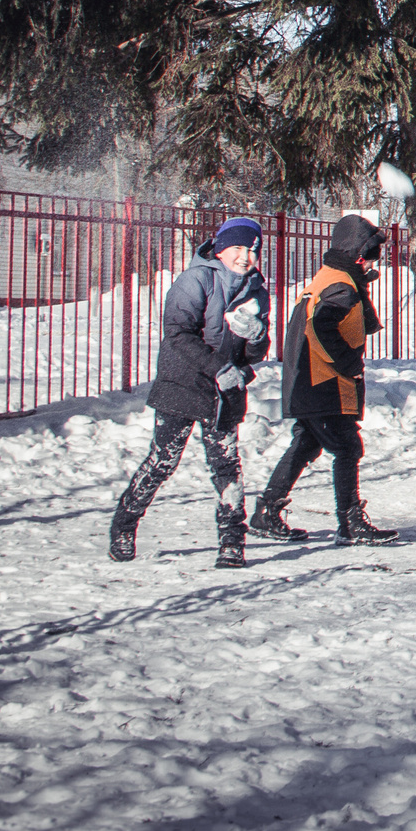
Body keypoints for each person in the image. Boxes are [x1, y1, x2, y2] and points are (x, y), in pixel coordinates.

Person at [112, 214, 273, 567]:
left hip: (224, 393)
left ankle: (232, 541)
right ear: (219, 249)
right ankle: (124, 523)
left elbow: (255, 352)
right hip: (183, 383)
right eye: (238, 248)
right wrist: (221, 368)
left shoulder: (256, 289)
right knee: (162, 461)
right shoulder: (195, 279)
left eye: (253, 250)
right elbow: (178, 333)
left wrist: (256, 337)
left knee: (227, 466)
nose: (245, 256)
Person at [254, 214, 399, 546]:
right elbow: (321, 326)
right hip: (323, 382)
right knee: (348, 447)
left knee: (306, 442)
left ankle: (267, 511)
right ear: (354, 251)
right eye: (369, 252)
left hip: (307, 382)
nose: (370, 260)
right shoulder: (340, 285)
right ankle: (350, 523)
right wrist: (348, 364)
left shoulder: (329, 277)